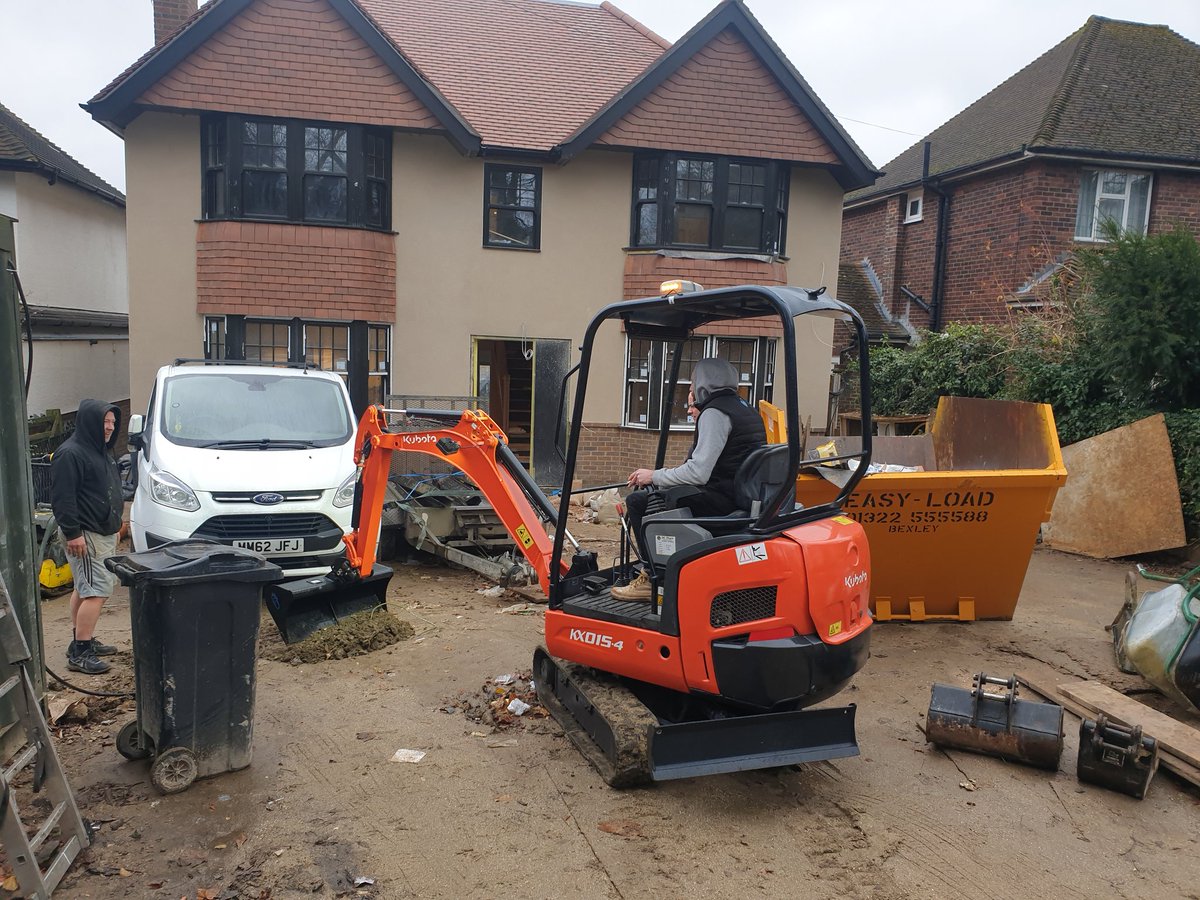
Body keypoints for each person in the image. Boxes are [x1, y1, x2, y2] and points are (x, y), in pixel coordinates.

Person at [612, 358, 766, 600]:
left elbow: (698, 473)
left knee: (640, 502)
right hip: (743, 496)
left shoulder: (715, 413)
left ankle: (654, 579)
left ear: (706, 382)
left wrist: (654, 475)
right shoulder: (745, 408)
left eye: (695, 381)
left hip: (721, 499)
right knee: (661, 493)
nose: (692, 388)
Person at [50, 400, 125, 675]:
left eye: (113, 423)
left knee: (83, 588)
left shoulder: (100, 450)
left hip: (100, 532)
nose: (109, 427)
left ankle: (80, 639)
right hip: (86, 535)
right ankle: (81, 652)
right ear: (90, 422)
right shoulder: (70, 454)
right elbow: (62, 498)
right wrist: (73, 534)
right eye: (105, 422)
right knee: (97, 591)